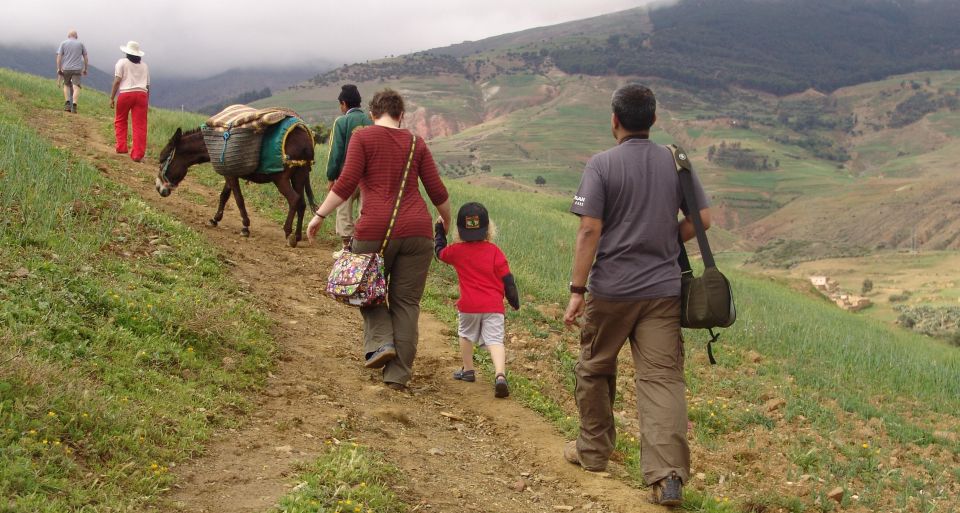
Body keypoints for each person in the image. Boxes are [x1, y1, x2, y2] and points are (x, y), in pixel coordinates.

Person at [562, 84, 711, 507]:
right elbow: (703, 218)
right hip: (662, 292)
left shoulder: (602, 165)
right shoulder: (674, 162)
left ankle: (592, 452)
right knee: (662, 381)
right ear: (653, 120)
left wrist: (577, 290)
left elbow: (589, 229)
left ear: (614, 120)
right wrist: (667, 238)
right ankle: (667, 478)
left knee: (594, 366)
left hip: (610, 291)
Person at [307, 88, 451, 392]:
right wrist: (446, 221)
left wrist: (320, 215)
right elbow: (437, 191)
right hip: (417, 232)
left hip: (374, 230)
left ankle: (383, 340)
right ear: (401, 116)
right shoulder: (416, 143)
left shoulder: (362, 137)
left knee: (363, 289)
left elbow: (346, 183)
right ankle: (398, 374)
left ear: (373, 113)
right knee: (407, 302)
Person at [434, 202, 520, 398]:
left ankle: (468, 370)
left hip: (469, 306)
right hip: (493, 307)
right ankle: (500, 375)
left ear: (460, 230)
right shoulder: (495, 251)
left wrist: (439, 231)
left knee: (465, 334)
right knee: (495, 340)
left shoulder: (457, 251)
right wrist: (514, 300)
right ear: (488, 228)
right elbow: (508, 279)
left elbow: (439, 252)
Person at [326, 84, 373, 255]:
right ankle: (361, 250)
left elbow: (335, 152)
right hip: (369, 177)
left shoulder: (342, 121)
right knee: (365, 212)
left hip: (347, 175)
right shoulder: (372, 120)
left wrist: (331, 177)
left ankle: (346, 248)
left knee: (343, 210)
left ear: (344, 103)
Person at [110, 41, 150, 162]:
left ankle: (121, 147)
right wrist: (146, 100)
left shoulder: (121, 63)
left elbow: (117, 80)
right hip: (142, 95)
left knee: (121, 119)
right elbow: (147, 86)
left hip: (126, 94)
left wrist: (112, 97)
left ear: (127, 52)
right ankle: (138, 154)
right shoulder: (145, 66)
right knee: (140, 125)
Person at [56, 30, 88, 113]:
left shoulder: (63, 43)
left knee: (66, 85)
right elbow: (85, 57)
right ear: (76, 36)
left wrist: (59, 68)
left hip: (66, 68)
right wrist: (85, 69)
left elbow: (59, 57)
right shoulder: (81, 44)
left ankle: (67, 104)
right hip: (77, 69)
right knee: (76, 86)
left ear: (68, 36)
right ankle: (74, 105)